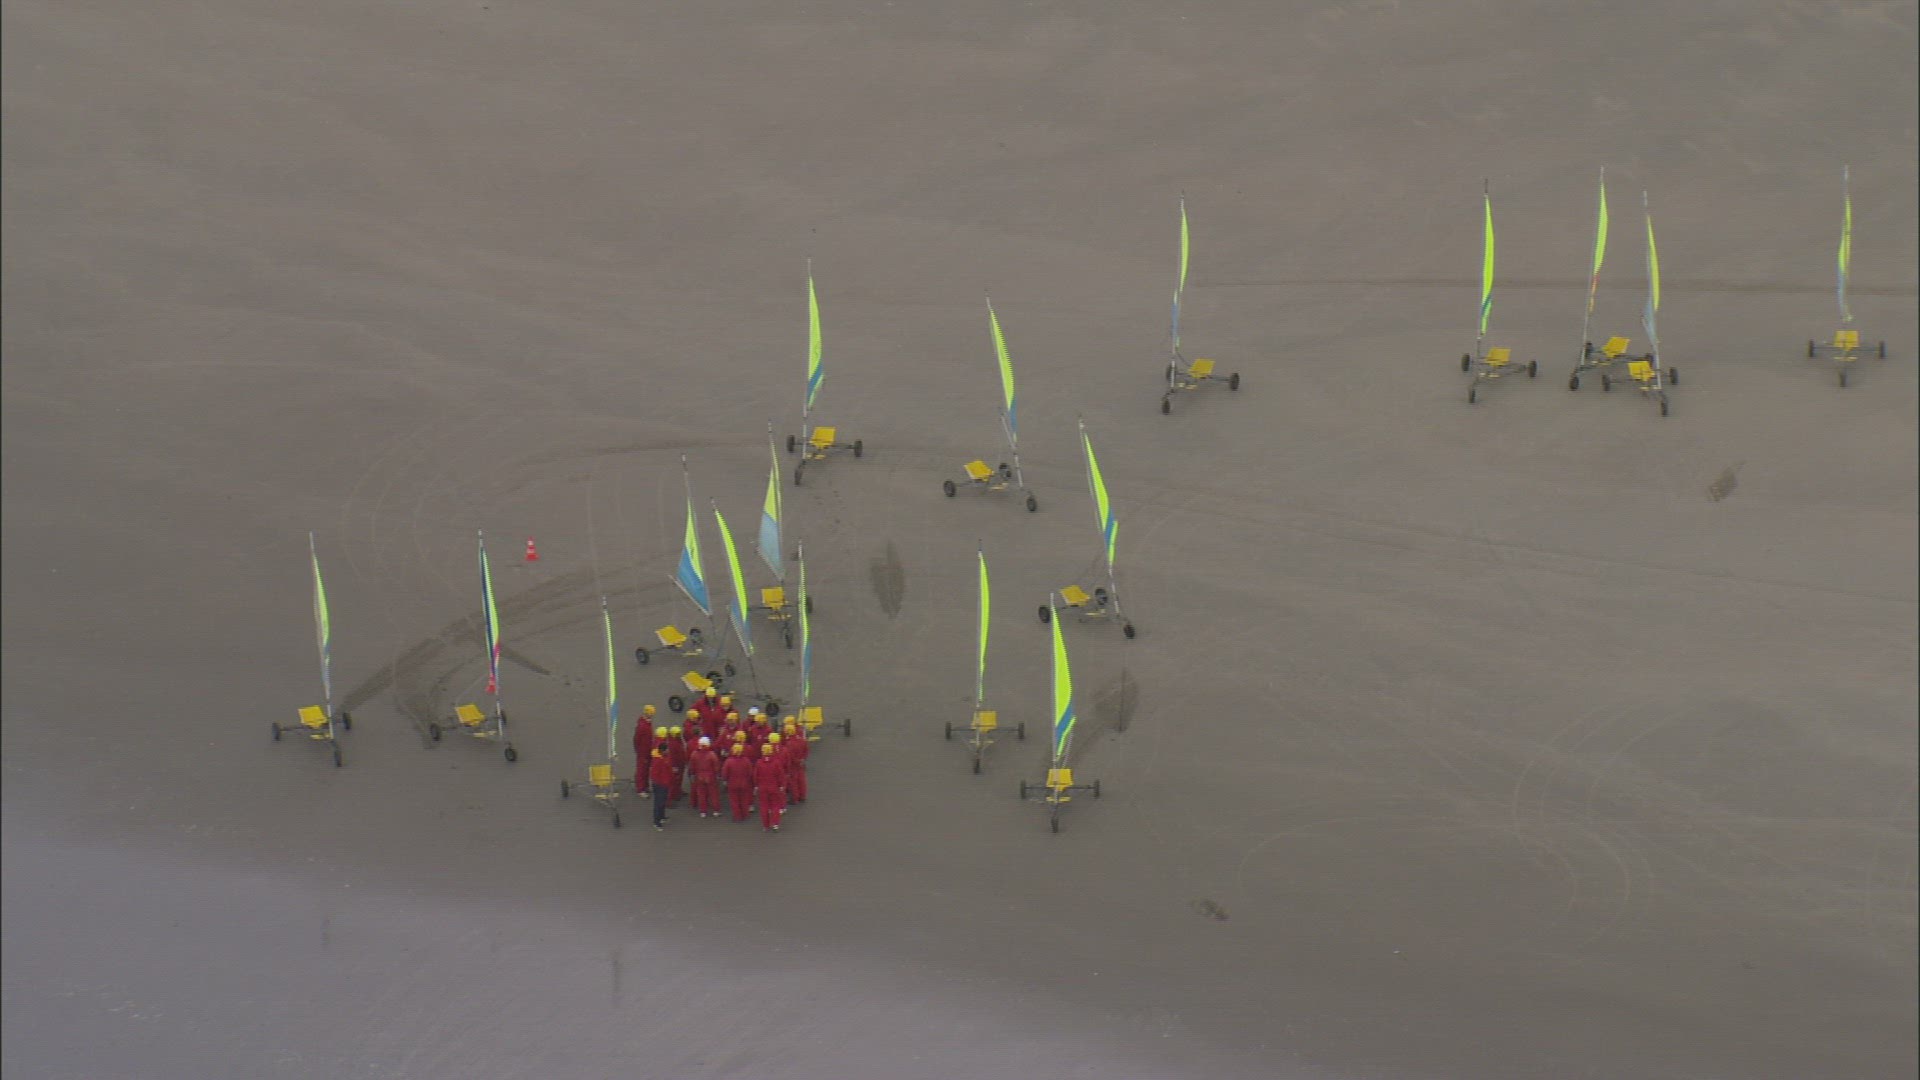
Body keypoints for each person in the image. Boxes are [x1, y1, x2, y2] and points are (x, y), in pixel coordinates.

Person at [753, 743, 787, 832]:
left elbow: (755, 776)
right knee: (775, 806)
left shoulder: (759, 763)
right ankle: (775, 824)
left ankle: (766, 826)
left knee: (764, 807)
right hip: (774, 787)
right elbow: (780, 775)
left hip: (762, 788)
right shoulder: (776, 763)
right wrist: (781, 785)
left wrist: (756, 786)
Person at [721, 739, 755, 822]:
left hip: (732, 784)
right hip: (744, 783)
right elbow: (750, 772)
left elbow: (725, 773)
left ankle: (737, 816)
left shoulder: (729, 761)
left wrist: (725, 780)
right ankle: (745, 814)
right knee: (744, 799)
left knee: (734, 801)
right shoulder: (746, 760)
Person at [688, 736, 721, 818]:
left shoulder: (694, 754)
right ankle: (715, 811)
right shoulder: (711, 755)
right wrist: (718, 775)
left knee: (701, 795)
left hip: (699, 777)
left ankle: (703, 812)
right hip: (710, 777)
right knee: (713, 794)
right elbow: (716, 766)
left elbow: (692, 766)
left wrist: (692, 774)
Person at [780, 716, 808, 804]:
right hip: (800, 762)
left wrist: (794, 762)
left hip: (793, 764)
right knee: (801, 779)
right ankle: (802, 796)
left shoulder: (789, 743)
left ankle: (795, 798)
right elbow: (806, 750)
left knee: (793, 781)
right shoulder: (801, 739)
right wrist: (802, 759)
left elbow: (790, 756)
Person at [631, 707, 657, 794]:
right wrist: (639, 751)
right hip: (643, 752)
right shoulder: (642, 726)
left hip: (647, 751)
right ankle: (641, 789)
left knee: (646, 770)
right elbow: (636, 739)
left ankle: (645, 786)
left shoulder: (647, 723)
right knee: (642, 771)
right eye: (651, 713)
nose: (652, 715)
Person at [647, 748, 674, 830]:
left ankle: (662, 817)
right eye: (666, 749)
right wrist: (662, 782)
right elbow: (655, 774)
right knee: (659, 803)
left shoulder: (662, 759)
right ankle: (656, 822)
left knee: (662, 802)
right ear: (663, 751)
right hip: (660, 785)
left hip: (663, 784)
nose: (668, 750)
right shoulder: (659, 761)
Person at [665, 726, 690, 804]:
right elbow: (673, 757)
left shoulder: (678, 740)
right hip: (676, 765)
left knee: (679, 779)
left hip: (680, 763)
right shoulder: (672, 744)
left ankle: (678, 791)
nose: (679, 734)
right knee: (674, 781)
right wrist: (674, 767)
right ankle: (673, 796)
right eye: (677, 733)